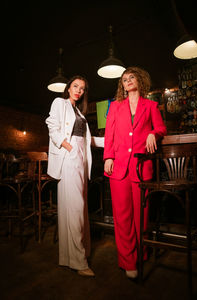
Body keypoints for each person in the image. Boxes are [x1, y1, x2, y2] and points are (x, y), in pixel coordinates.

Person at [103, 67, 167, 279]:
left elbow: (161, 128)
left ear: (140, 80)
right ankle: (128, 260)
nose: (128, 81)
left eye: (131, 77)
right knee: (122, 217)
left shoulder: (150, 106)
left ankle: (142, 253)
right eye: (124, 79)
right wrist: (108, 157)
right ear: (122, 85)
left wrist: (153, 133)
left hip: (141, 169)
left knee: (142, 216)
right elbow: (109, 134)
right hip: (118, 167)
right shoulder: (115, 107)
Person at [45, 75, 104, 277]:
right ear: (68, 88)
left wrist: (112, 142)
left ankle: (73, 256)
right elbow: (52, 126)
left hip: (81, 160)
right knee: (76, 208)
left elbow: (87, 140)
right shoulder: (59, 103)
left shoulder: (79, 112)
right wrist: (68, 147)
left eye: (82, 88)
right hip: (69, 158)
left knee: (79, 208)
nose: (79, 90)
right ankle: (79, 262)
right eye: (75, 86)